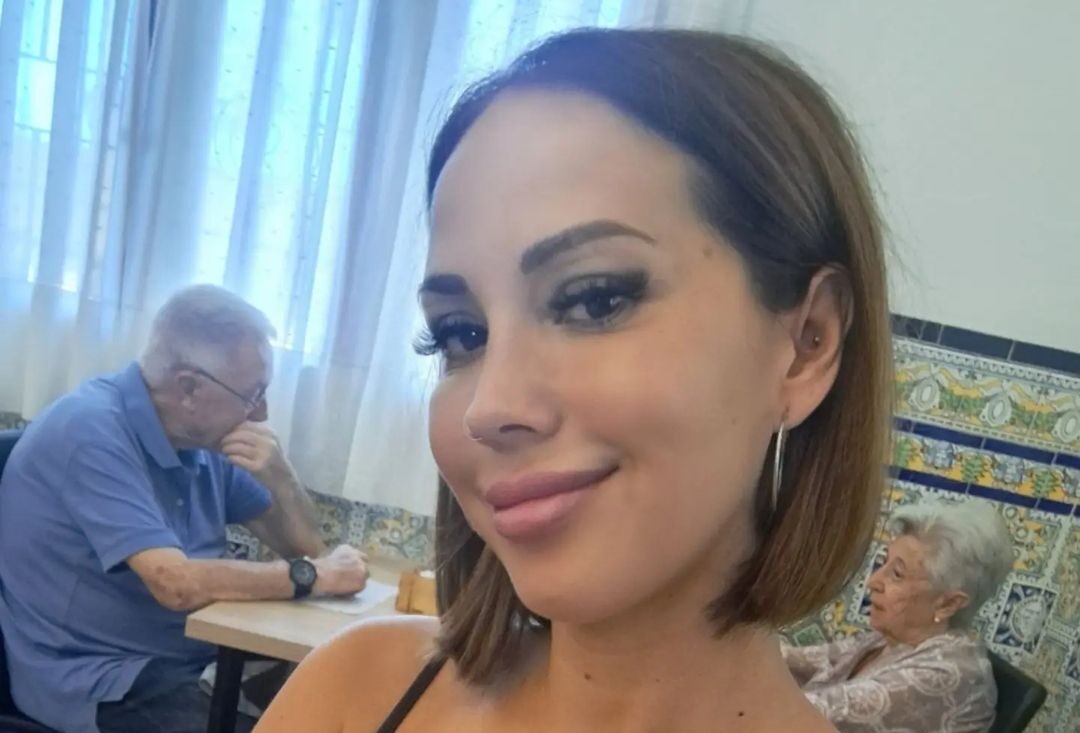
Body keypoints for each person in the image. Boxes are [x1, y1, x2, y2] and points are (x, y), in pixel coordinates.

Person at [257, 27, 894, 733]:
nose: (489, 407)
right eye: (461, 334)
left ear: (807, 344)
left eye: (595, 299)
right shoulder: (355, 692)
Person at [0, 285, 370, 733]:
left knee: (345, 706)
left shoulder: (203, 441)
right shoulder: (89, 431)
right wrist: (311, 576)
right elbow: (174, 584)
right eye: (252, 395)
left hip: (195, 657)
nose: (261, 413)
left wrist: (283, 479)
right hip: (99, 676)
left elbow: (306, 548)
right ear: (189, 388)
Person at [784, 500, 1014, 733]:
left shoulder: (948, 676)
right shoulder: (888, 640)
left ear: (948, 604)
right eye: (884, 564)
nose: (873, 582)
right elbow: (801, 661)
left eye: (897, 574)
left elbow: (794, 715)